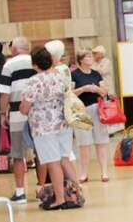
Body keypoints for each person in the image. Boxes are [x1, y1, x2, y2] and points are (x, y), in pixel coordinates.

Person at [20, 48, 80, 210]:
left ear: (34, 64)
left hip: (43, 127)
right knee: (64, 159)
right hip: (63, 123)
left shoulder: (34, 81)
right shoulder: (61, 77)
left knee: (53, 162)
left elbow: (24, 108)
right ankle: (76, 195)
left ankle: (60, 199)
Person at [0, 36, 40, 204]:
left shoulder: (9, 65)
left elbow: (4, 92)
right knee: (40, 152)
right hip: (36, 113)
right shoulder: (35, 61)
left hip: (16, 114)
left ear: (14, 49)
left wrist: (2, 113)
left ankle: (20, 192)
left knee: (18, 153)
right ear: (28, 48)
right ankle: (41, 187)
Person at [72, 48, 109, 183]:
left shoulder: (96, 74)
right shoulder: (74, 75)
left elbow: (104, 91)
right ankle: (84, 173)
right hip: (81, 110)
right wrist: (83, 89)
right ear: (81, 59)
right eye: (88, 56)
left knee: (101, 142)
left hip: (96, 109)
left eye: (91, 56)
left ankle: (104, 171)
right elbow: (70, 93)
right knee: (84, 144)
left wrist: (97, 89)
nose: (91, 58)